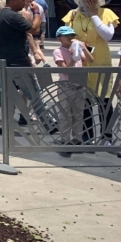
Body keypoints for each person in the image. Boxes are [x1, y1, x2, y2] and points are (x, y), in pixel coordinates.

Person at [0, 0, 43, 135]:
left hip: (4, 60)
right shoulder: (12, 16)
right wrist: (37, 12)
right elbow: (33, 29)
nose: (26, 2)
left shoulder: (2, 14)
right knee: (33, 92)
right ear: (13, 0)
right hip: (17, 62)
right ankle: (48, 122)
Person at [62, 0, 118, 92]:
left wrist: (93, 14)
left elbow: (108, 36)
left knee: (103, 94)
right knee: (83, 97)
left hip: (100, 57)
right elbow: (65, 36)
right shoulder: (73, 14)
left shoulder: (106, 12)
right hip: (79, 57)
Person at [52, 25, 92, 156]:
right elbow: (64, 69)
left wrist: (83, 48)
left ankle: (77, 139)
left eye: (72, 36)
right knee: (65, 115)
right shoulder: (58, 51)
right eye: (67, 36)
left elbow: (90, 60)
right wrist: (72, 57)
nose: (71, 38)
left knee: (78, 114)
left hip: (79, 86)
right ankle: (65, 140)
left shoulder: (77, 49)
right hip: (66, 87)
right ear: (59, 38)